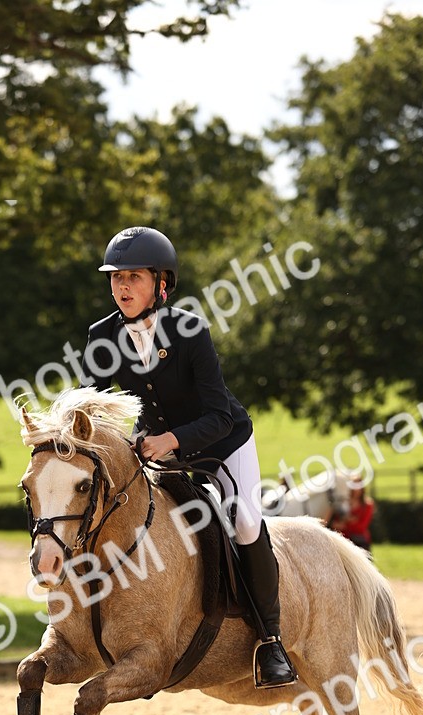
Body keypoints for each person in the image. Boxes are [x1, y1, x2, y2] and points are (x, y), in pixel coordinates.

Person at [79, 225, 296, 688]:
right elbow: (94, 410)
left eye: (133, 277)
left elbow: (218, 414)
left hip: (222, 444)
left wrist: (170, 439)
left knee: (243, 522)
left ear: (161, 284)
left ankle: (270, 640)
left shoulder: (190, 331)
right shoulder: (102, 336)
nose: (122, 287)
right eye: (116, 278)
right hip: (158, 448)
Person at [333, 479, 375, 553]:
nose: (356, 490)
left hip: (359, 542)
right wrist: (350, 521)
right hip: (343, 541)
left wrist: (344, 524)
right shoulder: (344, 503)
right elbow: (336, 523)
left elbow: (361, 527)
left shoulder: (368, 505)